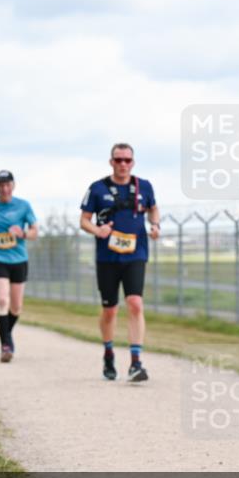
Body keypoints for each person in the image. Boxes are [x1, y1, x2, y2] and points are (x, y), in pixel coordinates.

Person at [79, 143, 160, 382]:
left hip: (136, 254)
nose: (123, 164)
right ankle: (108, 353)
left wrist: (155, 225)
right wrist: (97, 230)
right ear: (111, 162)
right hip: (107, 258)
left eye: (127, 160)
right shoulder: (97, 188)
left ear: (133, 163)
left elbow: (154, 210)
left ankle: (136, 362)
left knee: (135, 303)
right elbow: (84, 220)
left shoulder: (144, 186)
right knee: (110, 309)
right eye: (118, 160)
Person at [0, 170, 39, 363]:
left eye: (8, 185)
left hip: (19, 259)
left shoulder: (23, 206)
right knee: (3, 300)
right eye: (1, 185)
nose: (4, 189)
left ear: (13, 185)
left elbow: (35, 231)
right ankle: (5, 345)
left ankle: (6, 335)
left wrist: (23, 233)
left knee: (16, 306)